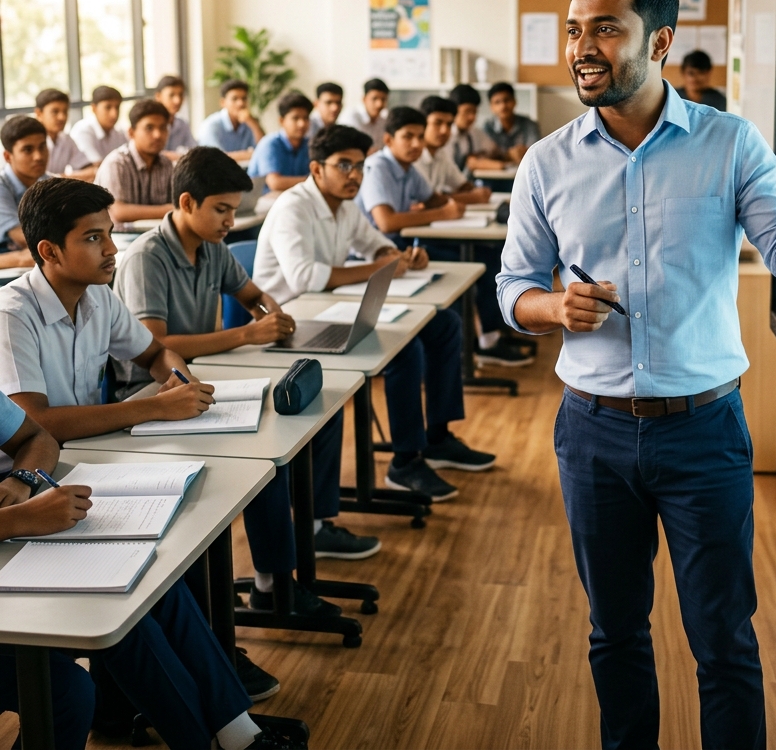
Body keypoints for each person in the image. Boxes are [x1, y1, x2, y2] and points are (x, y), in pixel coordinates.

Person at [496, 0, 776, 750]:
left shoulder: (729, 144)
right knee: (614, 633)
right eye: (573, 29)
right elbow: (511, 287)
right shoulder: (546, 163)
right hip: (592, 432)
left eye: (605, 27)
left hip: (703, 433)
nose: (582, 46)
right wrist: (553, 305)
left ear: (659, 41)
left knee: (723, 640)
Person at [0, 176, 286, 702]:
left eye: (109, 233)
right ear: (48, 251)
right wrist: (154, 406)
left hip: (88, 459)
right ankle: (176, 683)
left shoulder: (97, 298)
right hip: (34, 480)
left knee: (182, 529)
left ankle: (198, 673)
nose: (112, 249)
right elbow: (37, 424)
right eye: (93, 238)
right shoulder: (12, 314)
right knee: (154, 556)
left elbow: (155, 354)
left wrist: (178, 379)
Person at [115, 145, 380, 574]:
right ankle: (274, 585)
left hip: (207, 377)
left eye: (234, 211)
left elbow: (253, 295)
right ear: (186, 203)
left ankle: (313, 526)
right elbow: (157, 344)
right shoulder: (147, 257)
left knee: (321, 409)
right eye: (221, 210)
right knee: (266, 463)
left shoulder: (212, 246)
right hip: (151, 395)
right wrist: (246, 333)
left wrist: (271, 313)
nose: (230, 222)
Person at [254, 124, 496, 502]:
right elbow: (306, 279)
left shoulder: (346, 207)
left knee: (444, 324)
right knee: (404, 349)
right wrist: (378, 267)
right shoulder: (293, 206)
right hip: (290, 322)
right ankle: (405, 461)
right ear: (317, 169)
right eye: (344, 166)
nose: (355, 176)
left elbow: (377, 247)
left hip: (330, 310)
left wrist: (400, 257)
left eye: (360, 167)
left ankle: (438, 437)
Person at [417, 96, 531, 367]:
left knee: (493, 256)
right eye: (437, 124)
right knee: (483, 264)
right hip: (421, 240)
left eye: (448, 124)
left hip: (445, 228)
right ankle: (484, 342)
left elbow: (458, 187)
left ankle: (494, 333)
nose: (445, 131)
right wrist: (467, 197)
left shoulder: (441, 154)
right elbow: (431, 201)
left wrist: (471, 193)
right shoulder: (415, 157)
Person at [355, 106, 465, 242]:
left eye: (421, 137)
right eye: (408, 137)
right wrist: (443, 213)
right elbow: (387, 223)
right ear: (388, 140)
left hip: (397, 245)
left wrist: (454, 205)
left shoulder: (409, 169)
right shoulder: (376, 167)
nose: (416, 144)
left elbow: (433, 200)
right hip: (370, 253)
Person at [94, 98, 174, 229]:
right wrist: (168, 209)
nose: (158, 135)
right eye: (149, 128)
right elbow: (119, 212)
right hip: (115, 240)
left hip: (154, 237)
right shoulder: (117, 163)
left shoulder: (166, 164)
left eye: (163, 128)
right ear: (131, 132)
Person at [0, 116, 51, 268]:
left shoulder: (48, 183)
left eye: (42, 147)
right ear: (8, 157)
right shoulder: (2, 186)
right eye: (27, 150)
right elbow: (22, 238)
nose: (38, 156)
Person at [248, 90, 312, 192]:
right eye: (295, 118)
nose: (302, 124)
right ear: (282, 121)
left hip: (291, 198)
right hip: (263, 202)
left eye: (306, 118)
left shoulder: (308, 144)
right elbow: (275, 183)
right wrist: (313, 181)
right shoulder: (270, 144)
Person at [198, 80, 265, 162]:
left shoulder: (250, 122)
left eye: (244, 99)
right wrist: (250, 154)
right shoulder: (211, 125)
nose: (240, 103)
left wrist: (253, 124)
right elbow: (216, 157)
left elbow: (265, 150)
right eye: (235, 99)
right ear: (223, 102)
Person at [34, 88, 93, 180]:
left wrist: (62, 178)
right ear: (39, 114)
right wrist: (65, 178)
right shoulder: (30, 140)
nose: (62, 117)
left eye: (65, 112)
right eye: (55, 112)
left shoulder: (66, 139)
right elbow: (35, 179)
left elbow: (91, 171)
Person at [448, 84, 505, 172]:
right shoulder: (445, 135)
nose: (472, 117)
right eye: (467, 111)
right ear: (454, 109)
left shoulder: (474, 133)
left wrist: (481, 157)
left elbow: (495, 151)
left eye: (474, 112)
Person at [69, 86, 127, 165]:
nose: (114, 114)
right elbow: (96, 166)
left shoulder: (119, 133)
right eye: (108, 107)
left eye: (117, 107)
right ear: (94, 108)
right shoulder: (83, 131)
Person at [483, 82, 539, 164]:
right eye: (497, 102)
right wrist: (508, 155)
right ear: (491, 107)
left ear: (514, 102)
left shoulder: (529, 124)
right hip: (495, 174)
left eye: (507, 100)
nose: (503, 106)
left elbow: (535, 151)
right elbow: (486, 155)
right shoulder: (487, 127)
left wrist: (502, 156)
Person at [155, 74, 199, 158]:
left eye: (181, 95)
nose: (177, 101)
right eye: (171, 95)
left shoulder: (182, 125)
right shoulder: (151, 125)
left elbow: (195, 153)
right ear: (158, 96)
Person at [340, 78, 389, 152]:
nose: (379, 104)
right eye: (374, 99)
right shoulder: (350, 117)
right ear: (364, 99)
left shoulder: (383, 120)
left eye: (383, 99)